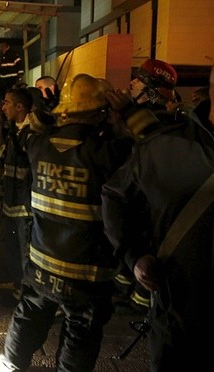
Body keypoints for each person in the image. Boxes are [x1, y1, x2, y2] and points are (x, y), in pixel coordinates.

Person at [0, 74, 134, 372]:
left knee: (30, 313)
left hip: (42, 262)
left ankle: (9, 365)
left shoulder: (38, 147)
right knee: (80, 331)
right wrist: (130, 115)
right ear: (101, 114)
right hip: (85, 272)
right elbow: (148, 147)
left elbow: (38, 127)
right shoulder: (109, 153)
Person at [101, 65, 214, 371]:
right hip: (179, 319)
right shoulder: (167, 144)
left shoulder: (164, 131)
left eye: (137, 81)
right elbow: (116, 196)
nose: (131, 85)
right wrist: (134, 254)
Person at [0, 87, 34, 306]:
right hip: (10, 204)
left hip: (25, 207)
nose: (4, 107)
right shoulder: (13, 130)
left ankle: (30, 295)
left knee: (26, 252)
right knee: (12, 250)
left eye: (7, 103)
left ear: (19, 107)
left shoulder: (31, 133)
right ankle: (20, 288)